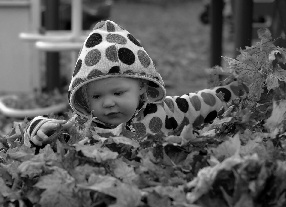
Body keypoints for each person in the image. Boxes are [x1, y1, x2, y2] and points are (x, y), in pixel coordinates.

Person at [24, 20, 247, 147]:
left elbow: (203, 103)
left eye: (118, 93)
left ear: (141, 85)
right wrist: (38, 129)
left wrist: (241, 88)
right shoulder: (84, 126)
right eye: (96, 97)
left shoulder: (165, 112)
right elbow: (47, 131)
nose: (108, 103)